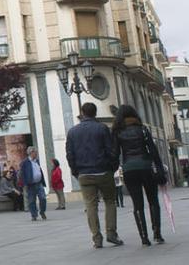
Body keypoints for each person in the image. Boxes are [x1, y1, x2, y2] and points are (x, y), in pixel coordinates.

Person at [66, 102, 123, 249]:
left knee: (91, 205)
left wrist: (75, 171)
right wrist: (112, 167)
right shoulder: (102, 128)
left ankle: (96, 238)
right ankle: (111, 233)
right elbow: (111, 150)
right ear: (95, 113)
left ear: (82, 113)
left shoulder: (72, 132)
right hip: (103, 171)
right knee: (110, 201)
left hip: (84, 174)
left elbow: (70, 155)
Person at [111, 104, 166, 246]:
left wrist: (112, 169)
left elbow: (115, 154)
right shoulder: (143, 129)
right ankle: (157, 234)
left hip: (129, 169)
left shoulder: (118, 132)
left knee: (137, 204)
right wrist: (159, 169)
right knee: (153, 201)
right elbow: (153, 151)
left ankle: (144, 238)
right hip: (146, 167)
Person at [18, 147, 47, 221]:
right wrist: (25, 184)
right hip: (30, 184)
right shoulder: (25, 162)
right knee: (31, 200)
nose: (36, 154)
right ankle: (34, 215)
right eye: (35, 152)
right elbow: (22, 174)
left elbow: (39, 171)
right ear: (31, 153)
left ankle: (42, 211)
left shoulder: (36, 161)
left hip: (39, 183)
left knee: (43, 198)